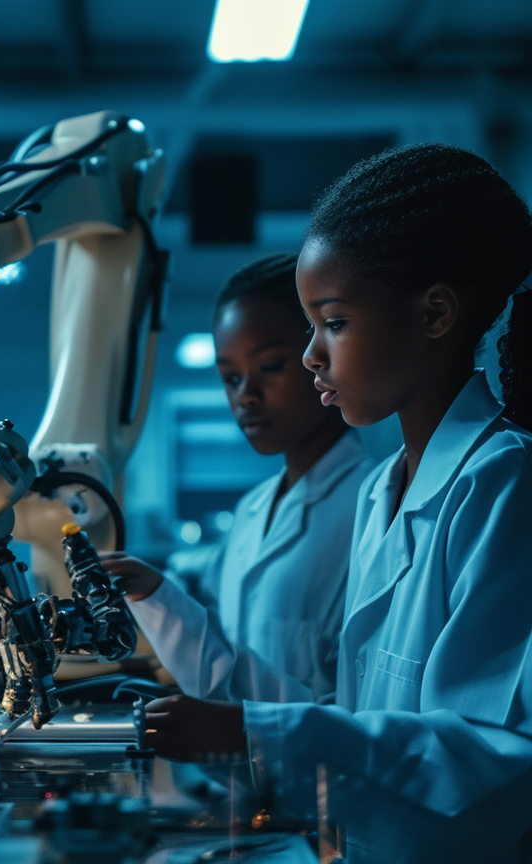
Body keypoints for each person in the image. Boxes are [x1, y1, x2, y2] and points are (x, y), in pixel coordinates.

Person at [134, 144, 532, 862]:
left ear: (435, 313)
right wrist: (244, 721)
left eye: (334, 323)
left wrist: (253, 730)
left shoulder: (501, 482)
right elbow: (358, 718)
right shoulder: (386, 489)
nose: (316, 354)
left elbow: (489, 751)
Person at [102, 253, 370, 704]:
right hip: (243, 773)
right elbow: (226, 664)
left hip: (328, 773)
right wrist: (154, 594)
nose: (245, 397)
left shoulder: (374, 505)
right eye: (230, 377)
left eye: (269, 367)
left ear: (321, 356)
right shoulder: (252, 510)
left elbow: (354, 712)